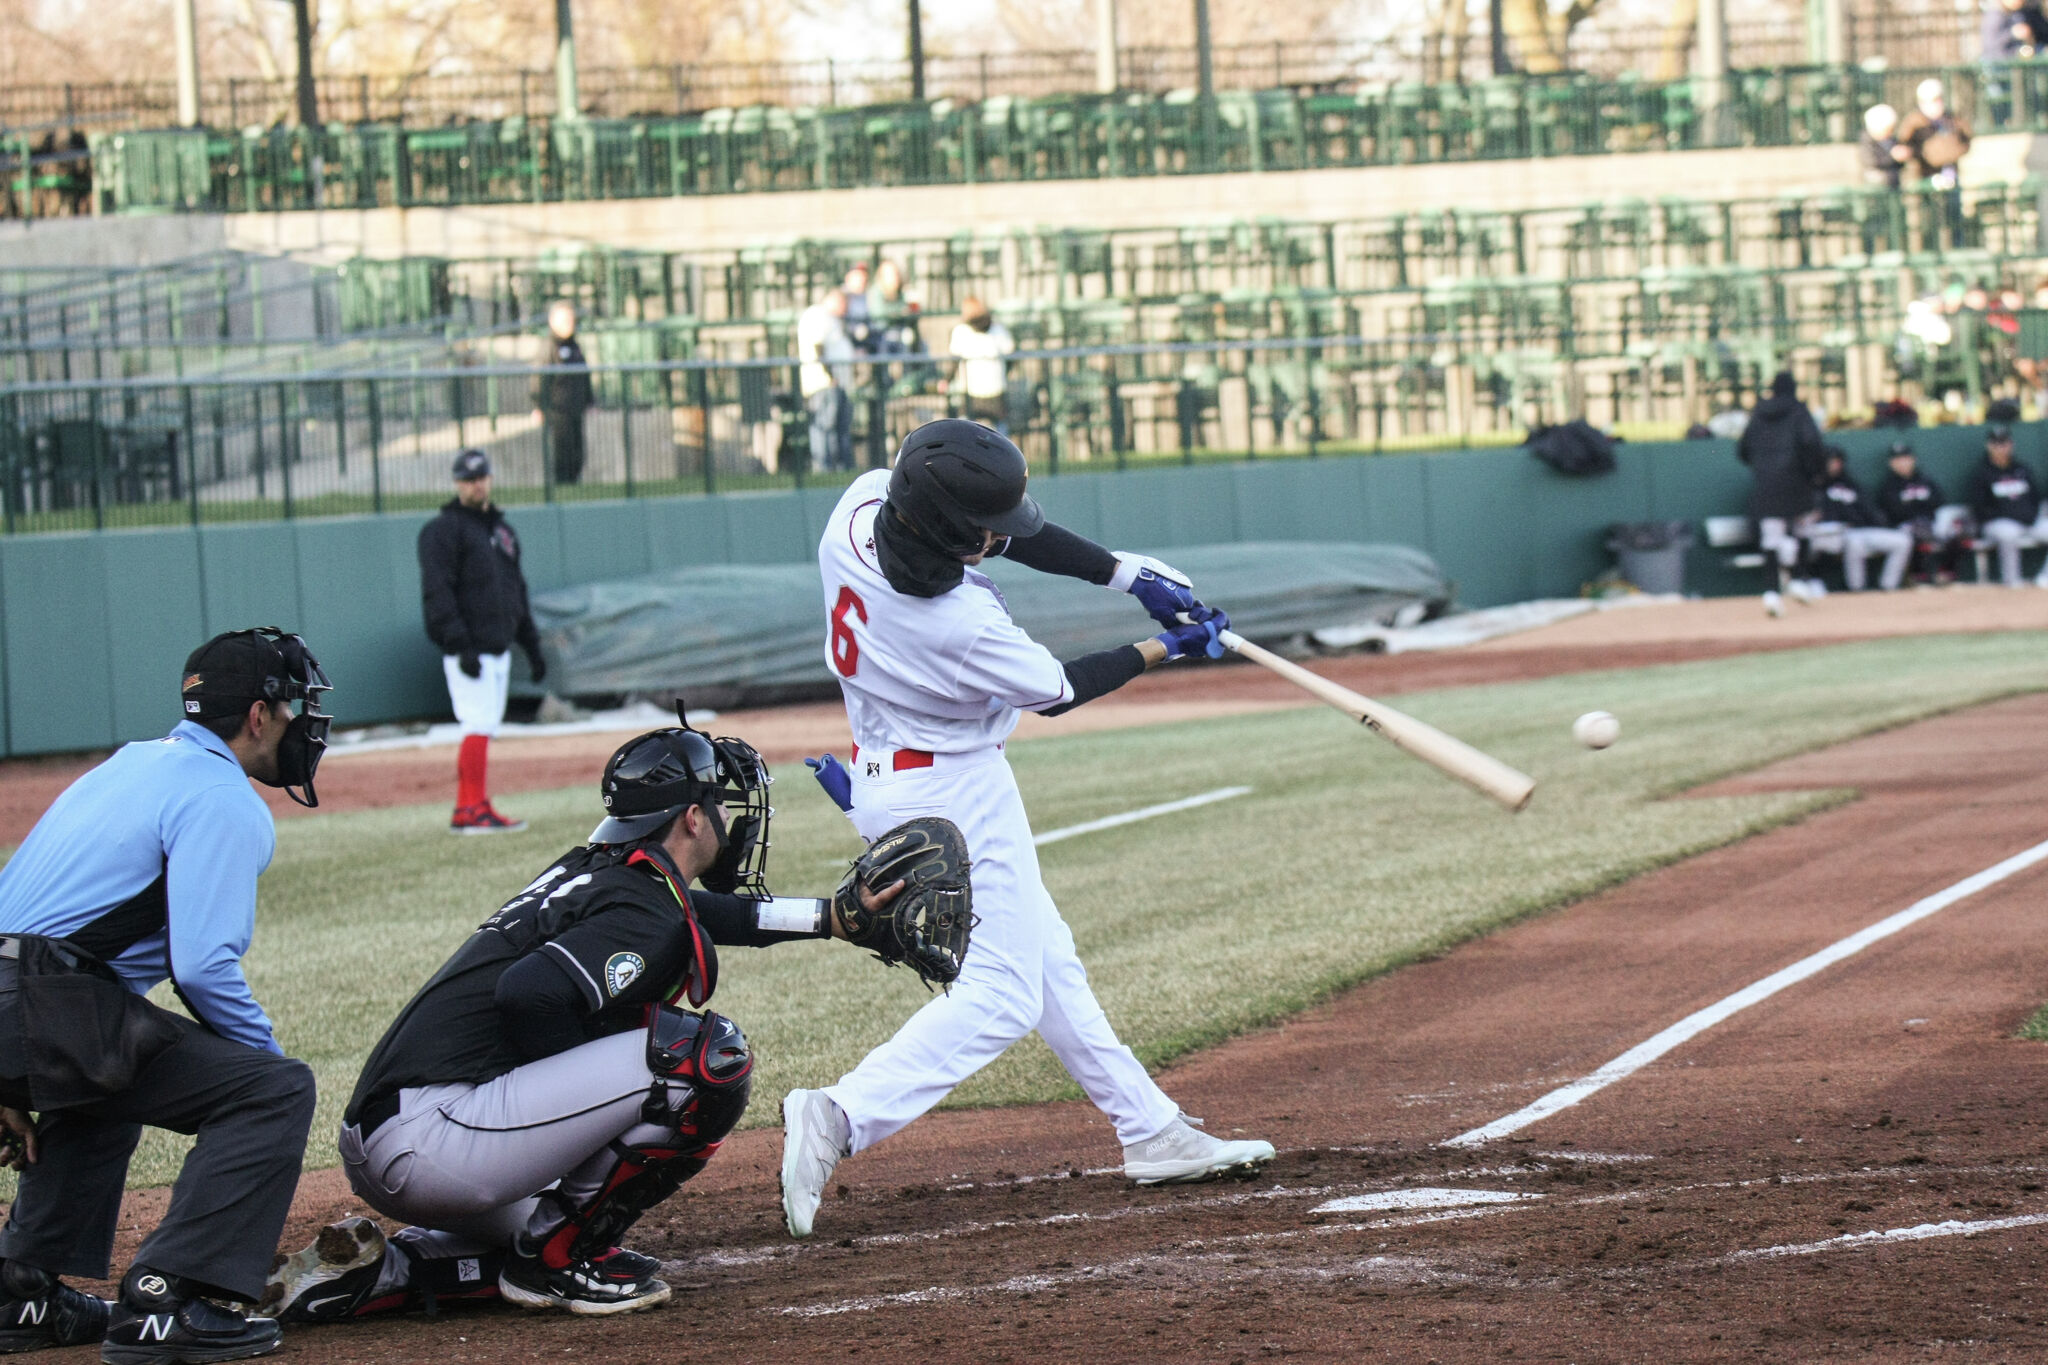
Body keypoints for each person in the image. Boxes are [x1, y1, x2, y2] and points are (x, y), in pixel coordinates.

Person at [781, 418, 1275, 1241]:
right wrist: (1170, 644)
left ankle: (1150, 1128)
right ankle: (838, 1114)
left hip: (886, 772)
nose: (996, 538)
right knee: (1005, 994)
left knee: (1049, 961)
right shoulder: (955, 624)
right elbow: (1059, 688)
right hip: (954, 790)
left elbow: (1001, 539)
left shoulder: (863, 505)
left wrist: (1123, 572)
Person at [257, 714, 907, 1323]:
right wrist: (585, 1102)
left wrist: (830, 918)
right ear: (689, 819)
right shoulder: (641, 905)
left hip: (403, 1135)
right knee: (702, 1058)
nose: (727, 820)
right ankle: (557, 1266)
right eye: (719, 805)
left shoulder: (601, 873)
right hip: (439, 1138)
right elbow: (528, 994)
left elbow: (698, 916)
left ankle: (383, 1270)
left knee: (552, 1215)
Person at [0, 629, 330, 1361]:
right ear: (256, 716)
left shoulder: (130, 761)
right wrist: (266, 1066)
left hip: (22, 997)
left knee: (115, 1060)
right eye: (295, 706)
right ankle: (168, 1298)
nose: (304, 721)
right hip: (44, 1000)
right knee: (274, 1090)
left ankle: (19, 1288)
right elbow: (204, 965)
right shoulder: (223, 797)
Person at [417, 449, 546, 834]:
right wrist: (458, 643)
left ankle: (471, 805)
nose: (476, 484)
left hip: (498, 644)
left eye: (481, 477)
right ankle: (470, 809)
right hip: (468, 648)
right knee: (476, 725)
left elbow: (515, 591)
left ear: (490, 478)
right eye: (468, 479)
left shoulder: (502, 532)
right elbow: (437, 592)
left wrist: (531, 644)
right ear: (457, 483)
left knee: (484, 726)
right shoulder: (442, 530)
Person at [1737, 371, 1828, 614]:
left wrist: (1762, 467)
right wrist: (1815, 475)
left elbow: (1743, 450)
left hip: (1766, 485)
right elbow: (1812, 445)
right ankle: (1798, 578)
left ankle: (1771, 593)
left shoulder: (1758, 414)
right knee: (1803, 529)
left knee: (1771, 539)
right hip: (1797, 482)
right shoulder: (1799, 411)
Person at [1814, 448, 1913, 592]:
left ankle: (1889, 587)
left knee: (1903, 540)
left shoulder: (1851, 484)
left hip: (1860, 529)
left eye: (1837, 461)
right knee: (1855, 543)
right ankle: (1857, 590)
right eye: (1830, 461)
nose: (1834, 465)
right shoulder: (1815, 486)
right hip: (1833, 533)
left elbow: (1869, 511)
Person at [1896, 79, 1972, 250]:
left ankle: (1955, 250)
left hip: (1950, 176)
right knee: (1927, 222)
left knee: (1954, 219)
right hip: (1925, 178)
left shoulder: (1951, 119)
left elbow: (1964, 140)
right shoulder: (1914, 122)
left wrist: (1948, 149)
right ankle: (1929, 251)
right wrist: (1939, 150)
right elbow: (1914, 149)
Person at [1875, 440, 1961, 585]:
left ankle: (1946, 572)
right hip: (1903, 526)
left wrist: (1919, 509)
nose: (1902, 463)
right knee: (1916, 532)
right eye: (1897, 460)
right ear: (1891, 463)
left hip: (1929, 521)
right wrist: (1919, 508)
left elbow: (1939, 502)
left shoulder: (1926, 480)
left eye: (1905, 458)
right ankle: (1917, 574)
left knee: (1954, 530)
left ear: (1913, 459)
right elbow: (1895, 511)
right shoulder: (1888, 486)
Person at [1967, 423, 2044, 584]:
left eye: (2004, 443)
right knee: (2008, 533)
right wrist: (2011, 515)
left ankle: (2045, 578)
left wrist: (2031, 515)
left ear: (2011, 444)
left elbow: (2035, 498)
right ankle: (2012, 581)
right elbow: (1979, 508)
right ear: (1989, 446)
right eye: (1996, 444)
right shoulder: (1981, 473)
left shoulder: (2022, 469)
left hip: (2028, 521)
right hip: (1998, 523)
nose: (2001, 448)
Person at [531, 301, 594, 486]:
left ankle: (574, 483)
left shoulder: (574, 346)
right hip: (558, 410)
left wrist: (589, 401)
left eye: (571, 319)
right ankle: (562, 486)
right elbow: (539, 379)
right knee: (563, 452)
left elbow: (584, 376)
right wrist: (538, 406)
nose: (570, 324)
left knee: (577, 451)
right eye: (565, 320)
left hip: (576, 408)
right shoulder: (549, 346)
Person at [798, 289, 856, 472]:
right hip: (823, 382)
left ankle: (836, 467)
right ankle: (824, 467)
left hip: (834, 381)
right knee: (824, 426)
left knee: (836, 427)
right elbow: (818, 346)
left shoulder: (831, 319)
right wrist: (830, 376)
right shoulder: (818, 315)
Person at [946, 297, 1018, 435]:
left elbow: (954, 360)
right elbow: (1011, 355)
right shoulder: (998, 330)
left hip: (971, 388)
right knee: (1000, 428)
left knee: (965, 427)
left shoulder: (961, 331)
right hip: (996, 386)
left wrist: (946, 380)